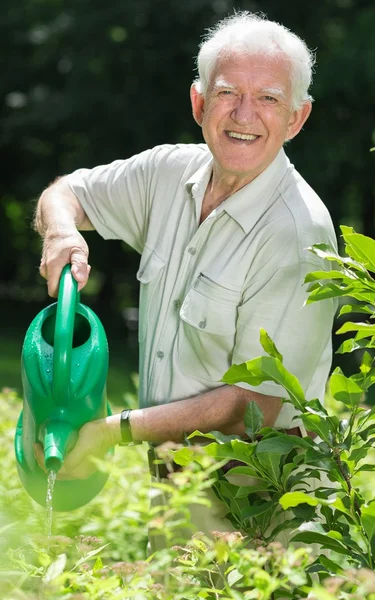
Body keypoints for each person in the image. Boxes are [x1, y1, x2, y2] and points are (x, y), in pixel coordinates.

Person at [34, 11, 337, 544]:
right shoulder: (168, 173)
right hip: (174, 487)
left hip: (258, 504)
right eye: (227, 93)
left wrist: (112, 433)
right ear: (199, 103)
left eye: (268, 98)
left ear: (297, 118)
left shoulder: (298, 232)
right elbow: (68, 192)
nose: (244, 114)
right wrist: (60, 233)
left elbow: (255, 405)